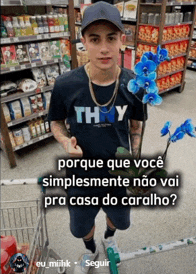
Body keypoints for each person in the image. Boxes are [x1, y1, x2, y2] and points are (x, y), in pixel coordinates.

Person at [48, 2, 147, 273]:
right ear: (84, 42)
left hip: (119, 172)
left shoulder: (134, 85)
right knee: (79, 226)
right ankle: (91, 249)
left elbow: (136, 127)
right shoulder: (65, 85)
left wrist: (134, 158)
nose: (104, 48)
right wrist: (65, 141)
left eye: (111, 38)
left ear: (122, 41)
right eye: (95, 39)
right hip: (82, 174)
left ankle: (109, 238)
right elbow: (56, 122)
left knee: (121, 221)